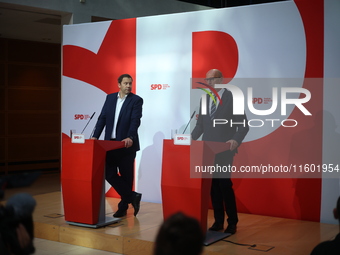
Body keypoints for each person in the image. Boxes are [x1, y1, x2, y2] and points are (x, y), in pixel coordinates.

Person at [191, 69, 249, 234]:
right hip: (207, 151)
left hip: (224, 150)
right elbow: (200, 127)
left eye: (213, 79)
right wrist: (190, 139)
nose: (209, 82)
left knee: (224, 185)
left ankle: (232, 222)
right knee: (213, 187)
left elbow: (244, 125)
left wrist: (235, 140)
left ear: (222, 79)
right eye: (207, 80)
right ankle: (218, 221)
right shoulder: (204, 99)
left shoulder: (232, 98)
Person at [91, 74, 143, 217]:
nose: (128, 86)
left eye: (130, 83)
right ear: (119, 84)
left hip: (126, 145)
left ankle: (123, 207)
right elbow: (102, 118)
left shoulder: (136, 100)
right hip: (110, 145)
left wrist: (130, 136)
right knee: (109, 173)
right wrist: (95, 136)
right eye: (125, 83)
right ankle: (133, 196)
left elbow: (135, 120)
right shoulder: (110, 98)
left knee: (126, 177)